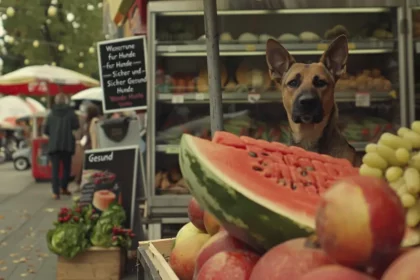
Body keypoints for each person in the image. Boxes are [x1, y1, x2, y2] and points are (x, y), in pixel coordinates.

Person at [43, 93, 80, 199]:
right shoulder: (71, 113)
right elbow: (76, 126)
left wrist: (54, 134)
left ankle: (55, 192)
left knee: (55, 169)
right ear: (65, 101)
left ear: (55, 101)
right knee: (66, 168)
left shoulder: (50, 114)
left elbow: (46, 130)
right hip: (67, 144)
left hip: (54, 145)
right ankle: (64, 187)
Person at [74, 103, 101, 187]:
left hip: (91, 147)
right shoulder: (89, 122)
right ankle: (82, 183)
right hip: (88, 147)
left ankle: (83, 183)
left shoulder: (93, 121)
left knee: (86, 166)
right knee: (86, 166)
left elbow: (92, 136)